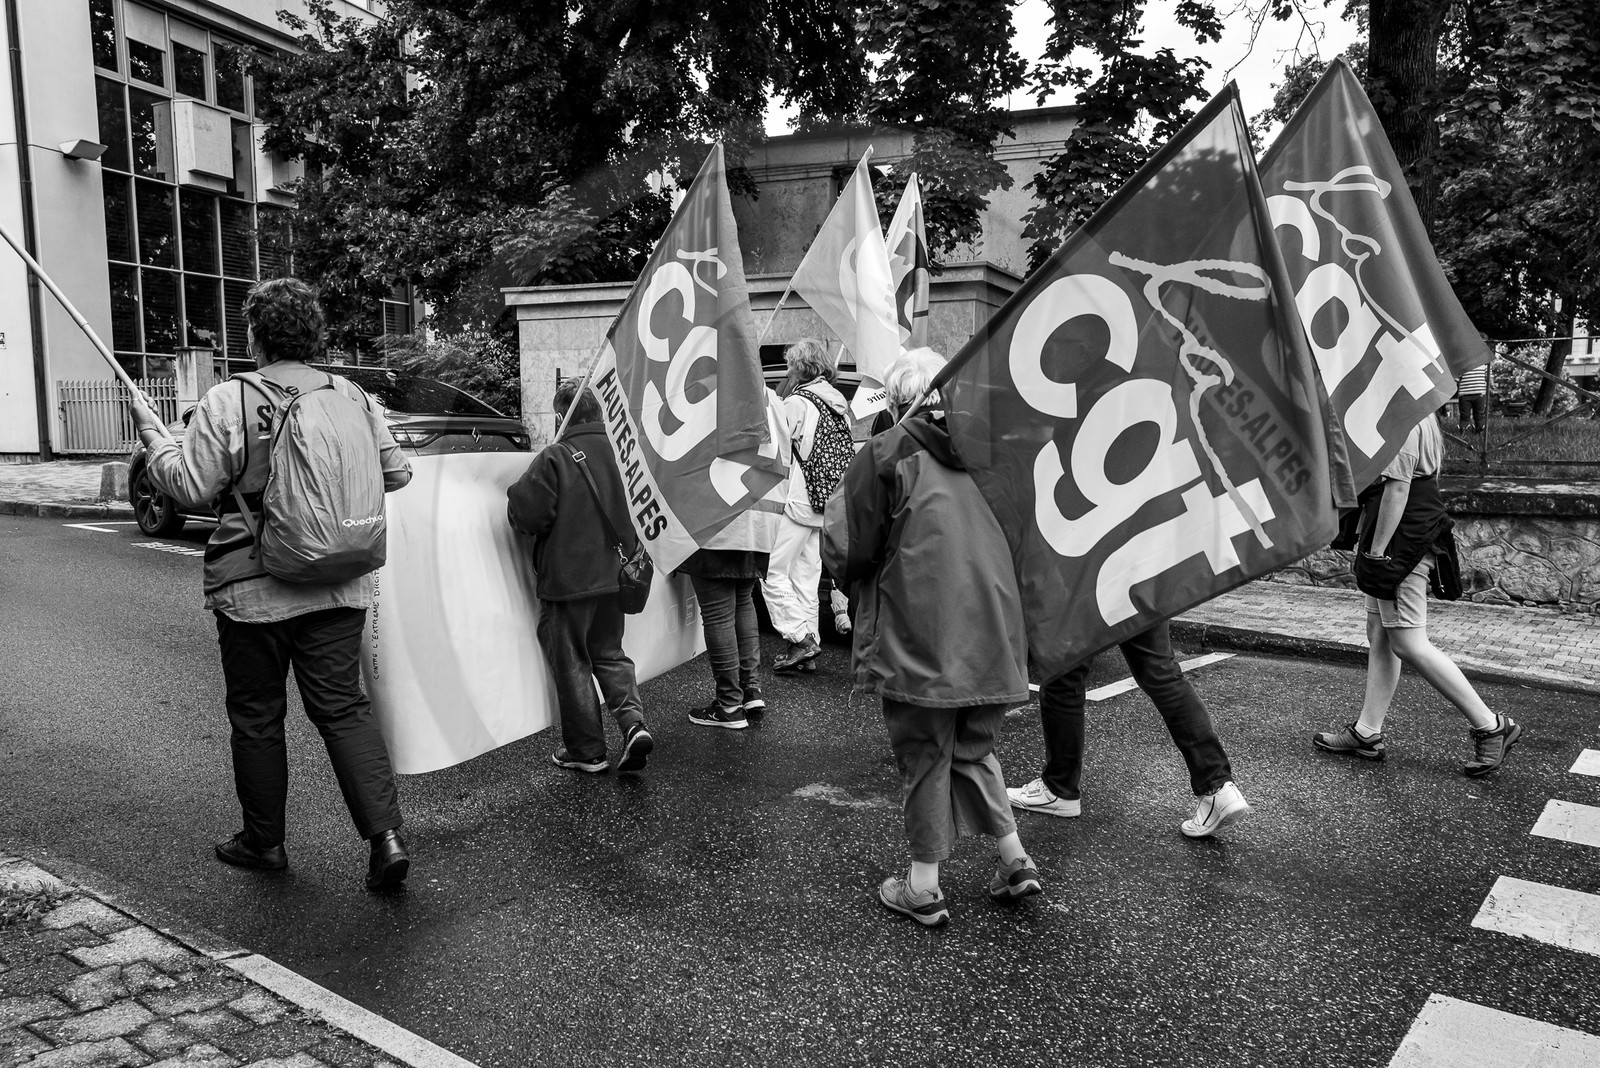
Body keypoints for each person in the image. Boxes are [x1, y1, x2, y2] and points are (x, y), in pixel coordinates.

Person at [128, 278, 413, 892]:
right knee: (343, 708)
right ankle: (385, 838)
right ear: (313, 336)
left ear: (255, 336)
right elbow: (397, 474)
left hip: (251, 588)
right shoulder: (351, 395)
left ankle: (265, 842)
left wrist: (156, 443)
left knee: (257, 715)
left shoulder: (230, 399)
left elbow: (190, 488)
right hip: (339, 582)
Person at [822, 348, 1040, 927]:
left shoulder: (888, 452)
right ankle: (1015, 859)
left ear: (899, 401)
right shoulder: (996, 453)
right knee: (974, 748)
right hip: (993, 628)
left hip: (921, 628)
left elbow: (847, 544)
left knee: (924, 751)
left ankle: (923, 886)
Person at [1313, 412, 1522, 775]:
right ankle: (1366, 733)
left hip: (1402, 541)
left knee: (1409, 643)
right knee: (1380, 635)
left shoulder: (1404, 417)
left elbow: (1398, 488)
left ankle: (1491, 726)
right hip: (1398, 534)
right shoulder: (1404, 409)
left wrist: (1377, 554)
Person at [508, 378, 652, 775]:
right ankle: (633, 725)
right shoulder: (623, 453)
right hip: (615, 574)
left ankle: (587, 751)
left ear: (561, 415)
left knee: (572, 662)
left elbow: (527, 514)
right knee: (610, 653)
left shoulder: (555, 456)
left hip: (569, 581)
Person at [1007, 624, 1251, 838]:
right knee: (1162, 673)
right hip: (1136, 575)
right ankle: (1216, 785)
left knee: (1063, 674)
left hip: (1079, 579)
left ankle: (1058, 788)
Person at [681, 389, 787, 728]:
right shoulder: (773, 397)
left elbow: (687, 455)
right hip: (761, 518)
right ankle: (749, 688)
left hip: (719, 516)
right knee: (743, 601)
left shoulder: (713, 389)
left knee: (717, 612)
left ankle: (728, 705)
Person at [761, 338, 853, 672]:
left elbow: (775, 444)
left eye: (790, 362)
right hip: (824, 502)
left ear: (801, 366)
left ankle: (801, 638)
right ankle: (806, 651)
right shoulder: (836, 402)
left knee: (771, 572)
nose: (787, 368)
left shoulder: (799, 402)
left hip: (799, 498)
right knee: (805, 577)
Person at [1456, 364, 1488, 433]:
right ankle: (1463, 428)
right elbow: (1457, 378)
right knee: (1465, 414)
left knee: (1479, 414)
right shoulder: (1462, 365)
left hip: (1478, 394)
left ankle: (1480, 429)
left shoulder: (1483, 365)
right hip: (1465, 395)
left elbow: (1488, 376)